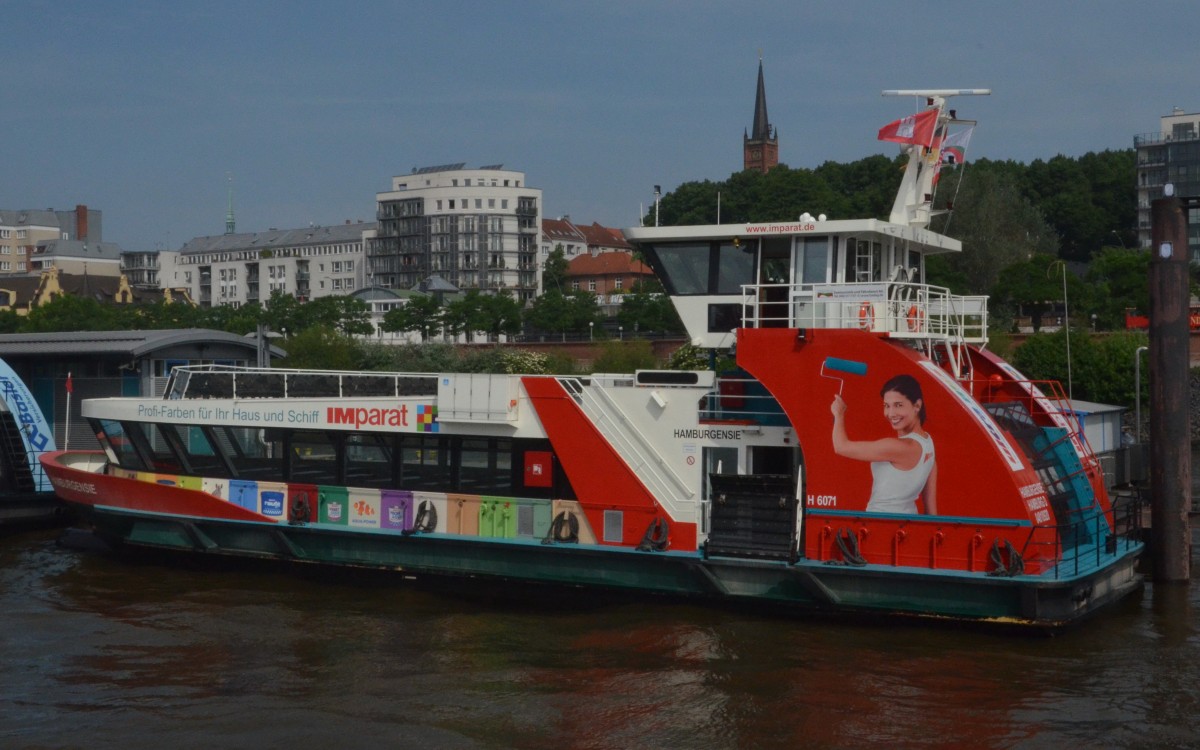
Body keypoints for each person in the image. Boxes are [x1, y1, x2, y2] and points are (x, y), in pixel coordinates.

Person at [830, 374, 937, 514]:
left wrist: (839, 414)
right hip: (908, 524)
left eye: (898, 405)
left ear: (917, 405)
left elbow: (841, 446)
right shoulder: (928, 444)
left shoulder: (899, 447)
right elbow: (931, 511)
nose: (891, 413)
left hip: (880, 524)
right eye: (887, 406)